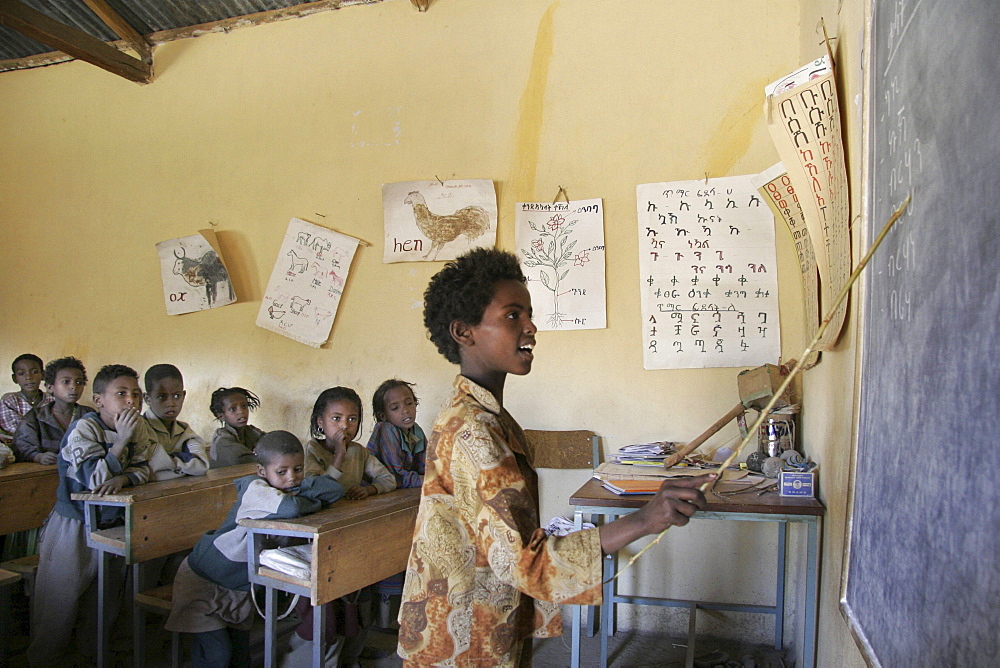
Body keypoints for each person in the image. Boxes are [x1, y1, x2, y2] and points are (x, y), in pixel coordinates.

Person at [398, 248, 713, 666]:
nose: (530, 327)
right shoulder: (474, 429)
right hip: (464, 637)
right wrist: (646, 518)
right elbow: (526, 562)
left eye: (528, 314)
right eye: (513, 315)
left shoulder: (482, 414)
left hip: (474, 621)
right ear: (463, 332)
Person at [165, 431, 345, 667]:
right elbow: (290, 508)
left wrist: (305, 489)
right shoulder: (255, 488)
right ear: (262, 471)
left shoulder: (287, 489)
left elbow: (335, 490)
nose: (292, 478)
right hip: (205, 582)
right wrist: (312, 501)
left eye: (298, 469)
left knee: (241, 656)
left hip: (237, 587)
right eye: (281, 472)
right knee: (216, 655)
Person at [28, 363, 155, 666]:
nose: (131, 401)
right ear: (99, 400)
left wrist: (124, 478)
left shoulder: (138, 427)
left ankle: (89, 655)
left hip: (112, 526)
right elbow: (94, 481)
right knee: (59, 602)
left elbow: (143, 468)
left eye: (136, 395)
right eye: (121, 393)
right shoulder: (85, 427)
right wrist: (121, 443)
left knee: (103, 603)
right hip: (73, 524)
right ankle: (41, 659)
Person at [287, 387, 397, 667]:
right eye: (336, 418)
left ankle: (353, 655)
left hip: (353, 532)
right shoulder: (309, 451)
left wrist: (371, 489)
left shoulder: (359, 453)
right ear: (320, 422)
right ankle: (326, 657)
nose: (344, 426)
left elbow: (388, 479)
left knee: (361, 598)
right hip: (320, 538)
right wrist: (338, 456)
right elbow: (318, 489)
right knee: (331, 605)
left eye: (352, 419)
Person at [366, 379, 426, 629]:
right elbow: (396, 474)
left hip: (401, 498)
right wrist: (431, 481)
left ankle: (397, 616)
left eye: (409, 403)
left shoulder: (416, 432)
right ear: (383, 415)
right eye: (395, 407)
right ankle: (383, 620)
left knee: (407, 552)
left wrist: (433, 477)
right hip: (377, 498)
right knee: (387, 556)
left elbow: (426, 467)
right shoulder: (386, 431)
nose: (405, 411)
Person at [13, 356, 95, 464]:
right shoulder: (36, 417)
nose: (74, 387)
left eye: (79, 382)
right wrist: (37, 456)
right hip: (47, 475)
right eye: (66, 381)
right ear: (50, 387)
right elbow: (21, 446)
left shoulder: (89, 415)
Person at [143, 364, 209, 481]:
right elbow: (146, 472)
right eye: (162, 397)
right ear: (148, 399)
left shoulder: (184, 431)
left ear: (183, 396)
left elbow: (201, 465)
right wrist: (184, 468)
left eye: (177, 396)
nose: (171, 403)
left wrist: (166, 466)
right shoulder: (140, 430)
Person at [0, 353, 50, 445]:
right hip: (19, 445)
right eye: (21, 373)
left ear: (42, 375)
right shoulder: (9, 400)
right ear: (15, 378)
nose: (28, 377)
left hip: (50, 445)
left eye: (34, 372)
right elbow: (15, 429)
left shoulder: (52, 399)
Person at [209, 387, 265, 468]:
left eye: (244, 406)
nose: (241, 411)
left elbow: (270, 442)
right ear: (221, 415)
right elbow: (242, 460)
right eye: (232, 409)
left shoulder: (250, 431)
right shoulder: (222, 440)